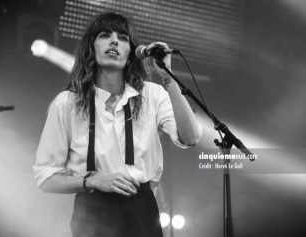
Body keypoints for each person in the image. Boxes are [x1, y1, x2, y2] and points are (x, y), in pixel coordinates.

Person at [33, 12, 202, 237]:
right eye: (105, 35)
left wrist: (166, 75)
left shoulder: (152, 93)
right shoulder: (67, 102)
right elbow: (46, 178)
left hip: (141, 209)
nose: (114, 41)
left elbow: (190, 137)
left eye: (122, 37)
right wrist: (92, 181)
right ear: (91, 48)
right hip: (92, 211)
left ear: (131, 52)